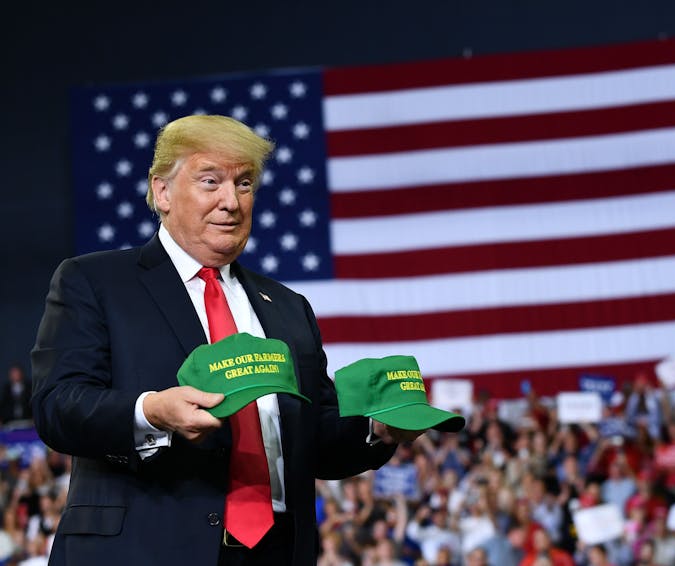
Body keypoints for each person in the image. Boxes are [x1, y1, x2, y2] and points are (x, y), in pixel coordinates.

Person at [30, 115, 425, 565]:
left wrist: (377, 429)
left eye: (244, 184)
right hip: (144, 548)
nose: (230, 202)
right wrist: (151, 412)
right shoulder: (94, 281)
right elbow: (57, 405)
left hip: (276, 552)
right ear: (161, 192)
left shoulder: (286, 306)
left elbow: (313, 441)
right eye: (210, 181)